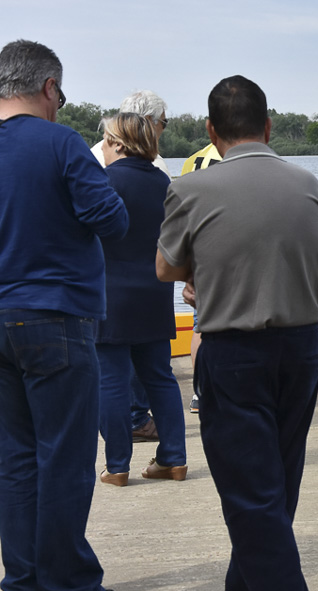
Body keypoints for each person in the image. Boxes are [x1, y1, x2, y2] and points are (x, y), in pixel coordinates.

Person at [156, 74, 318, 591]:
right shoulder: (308, 183)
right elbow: (314, 253)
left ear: (211, 131)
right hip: (302, 347)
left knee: (251, 497)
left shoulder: (189, 188)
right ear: (269, 126)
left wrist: (208, 275)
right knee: (278, 486)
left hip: (233, 350)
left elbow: (166, 269)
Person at [0, 39, 146, 591]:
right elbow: (112, 222)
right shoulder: (61, 142)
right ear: (49, 88)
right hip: (55, 316)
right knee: (63, 456)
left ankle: (23, 582)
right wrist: (101, 170)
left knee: (16, 458)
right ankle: (70, 586)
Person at [176, 142, 318, 415]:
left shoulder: (193, 160)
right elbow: (263, 210)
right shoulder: (242, 162)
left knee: (201, 325)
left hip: (203, 250)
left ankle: (201, 393)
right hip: (234, 249)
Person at [96, 112, 187, 486]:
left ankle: (117, 466)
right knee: (161, 378)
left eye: (105, 138)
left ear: (118, 143)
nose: (102, 145)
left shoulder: (103, 181)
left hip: (109, 293)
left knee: (112, 381)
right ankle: (174, 460)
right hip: (155, 291)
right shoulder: (165, 183)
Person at [91, 90, 171, 176]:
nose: (163, 129)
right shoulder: (154, 164)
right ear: (148, 121)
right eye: (163, 123)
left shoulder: (93, 153)